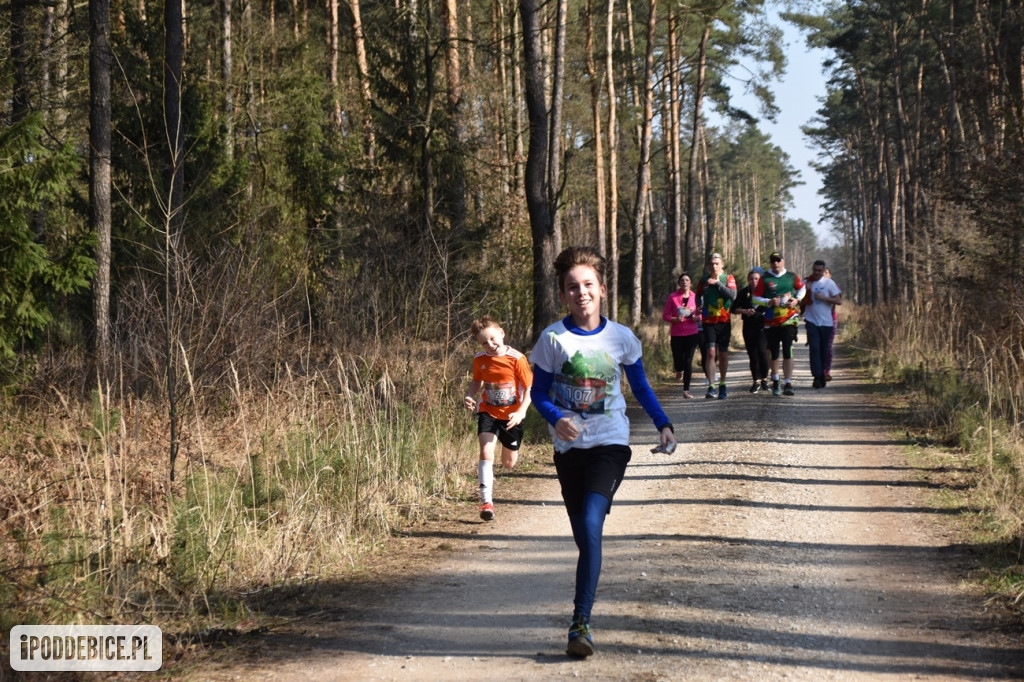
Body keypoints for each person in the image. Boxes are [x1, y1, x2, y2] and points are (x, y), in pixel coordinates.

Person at [530, 246, 676, 658]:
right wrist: (556, 417)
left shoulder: (622, 337)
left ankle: (581, 622)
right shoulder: (552, 339)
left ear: (603, 289)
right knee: (584, 537)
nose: (581, 293)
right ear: (562, 295)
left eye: (588, 285)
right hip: (568, 449)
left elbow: (641, 387)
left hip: (610, 444)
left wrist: (664, 423)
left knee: (592, 524)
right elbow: (538, 393)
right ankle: (583, 615)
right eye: (572, 287)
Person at [463, 316, 533, 521]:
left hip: (512, 416)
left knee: (508, 463)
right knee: (485, 450)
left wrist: (521, 412)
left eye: (493, 339)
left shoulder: (517, 359)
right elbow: (476, 381)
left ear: (501, 333)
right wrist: (470, 395)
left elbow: (529, 389)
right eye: (484, 342)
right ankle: (487, 502)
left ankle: (510, 449)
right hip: (488, 412)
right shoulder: (480, 360)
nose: (490, 345)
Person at [754, 251, 805, 396]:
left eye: (778, 260)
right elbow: (755, 299)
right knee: (774, 351)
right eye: (772, 260)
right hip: (771, 321)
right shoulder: (764, 279)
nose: (775, 263)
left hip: (789, 319)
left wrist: (797, 300)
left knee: (788, 349)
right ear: (770, 263)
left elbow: (802, 288)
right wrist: (768, 302)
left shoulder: (791, 277)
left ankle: (788, 382)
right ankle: (776, 378)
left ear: (783, 261)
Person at [695, 252, 737, 399]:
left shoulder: (728, 278)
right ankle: (711, 386)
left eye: (717, 263)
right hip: (708, 322)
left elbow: (733, 295)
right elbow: (697, 296)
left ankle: (723, 384)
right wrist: (699, 306)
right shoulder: (703, 280)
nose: (714, 266)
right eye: (711, 264)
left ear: (722, 265)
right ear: (708, 265)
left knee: (723, 353)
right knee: (711, 352)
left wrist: (718, 284)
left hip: (724, 321)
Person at [802, 260, 842, 388]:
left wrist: (823, 298)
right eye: (815, 270)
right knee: (814, 348)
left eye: (819, 271)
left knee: (823, 349)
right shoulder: (807, 282)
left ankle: (822, 375)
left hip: (826, 322)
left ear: (824, 271)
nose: (817, 273)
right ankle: (817, 376)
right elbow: (798, 298)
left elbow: (839, 300)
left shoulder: (829, 283)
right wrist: (805, 292)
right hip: (811, 320)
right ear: (812, 270)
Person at [732, 267, 770, 393]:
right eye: (751, 279)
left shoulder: (766, 292)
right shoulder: (744, 292)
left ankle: (765, 379)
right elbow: (733, 308)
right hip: (748, 326)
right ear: (748, 280)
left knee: (762, 352)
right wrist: (745, 311)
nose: (754, 281)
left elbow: (774, 305)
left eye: (756, 279)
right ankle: (756, 381)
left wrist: (765, 313)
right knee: (752, 355)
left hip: (763, 326)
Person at [661, 272, 700, 398]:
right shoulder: (673, 297)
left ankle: (686, 390)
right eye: (682, 280)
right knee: (678, 360)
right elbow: (665, 315)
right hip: (677, 333)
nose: (685, 282)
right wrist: (675, 319)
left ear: (690, 283)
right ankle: (679, 370)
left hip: (692, 333)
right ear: (679, 283)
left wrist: (697, 318)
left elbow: (701, 313)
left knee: (688, 361)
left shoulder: (696, 297)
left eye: (687, 280)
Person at [823, 267, 839, 381]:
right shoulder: (814, 286)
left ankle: (826, 371)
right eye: (822, 272)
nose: (824, 274)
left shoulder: (833, 286)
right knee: (818, 347)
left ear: (830, 275)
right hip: (816, 320)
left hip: (831, 319)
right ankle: (819, 370)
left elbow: (839, 300)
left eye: (826, 272)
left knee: (828, 346)